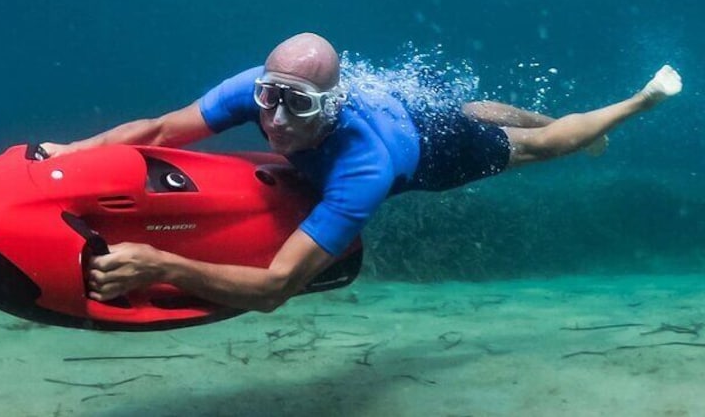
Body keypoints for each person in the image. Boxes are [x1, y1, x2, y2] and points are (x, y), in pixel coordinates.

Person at [41, 32, 683, 313]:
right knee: (471, 109)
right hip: (396, 103)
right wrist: (76, 149)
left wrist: (162, 264)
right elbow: (158, 130)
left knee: (533, 147)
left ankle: (632, 104)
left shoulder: (363, 169)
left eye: (301, 107)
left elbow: (275, 288)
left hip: (431, 149)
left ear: (332, 104)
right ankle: (530, 115)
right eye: (270, 99)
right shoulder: (264, 88)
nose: (278, 122)